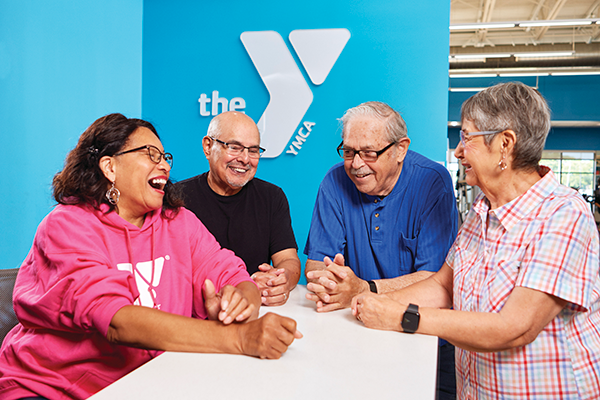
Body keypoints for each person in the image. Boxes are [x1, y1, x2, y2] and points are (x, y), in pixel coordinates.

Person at [0, 114, 302, 400]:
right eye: (150, 155)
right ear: (110, 167)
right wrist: (240, 339)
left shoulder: (178, 221)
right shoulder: (67, 226)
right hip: (51, 388)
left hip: (146, 382)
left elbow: (231, 272)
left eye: (165, 157)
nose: (165, 166)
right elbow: (117, 322)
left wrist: (240, 300)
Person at [352, 82, 600, 399]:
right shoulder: (482, 210)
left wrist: (401, 316)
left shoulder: (562, 214)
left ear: (505, 144)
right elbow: (444, 286)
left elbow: (516, 327)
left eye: (467, 137)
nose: (457, 151)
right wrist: (377, 299)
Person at [304, 101, 458, 399]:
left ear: (400, 149)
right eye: (349, 151)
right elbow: (316, 267)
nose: (356, 164)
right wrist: (331, 282)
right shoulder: (334, 182)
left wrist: (363, 289)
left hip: (423, 338)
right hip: (355, 335)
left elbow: (436, 280)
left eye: (369, 153)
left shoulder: (432, 182)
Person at [176, 111, 300, 306]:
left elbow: (288, 260)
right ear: (208, 147)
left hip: (254, 310)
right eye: (234, 147)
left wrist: (280, 281)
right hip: (196, 313)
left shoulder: (272, 197)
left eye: (253, 150)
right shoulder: (176, 199)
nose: (245, 159)